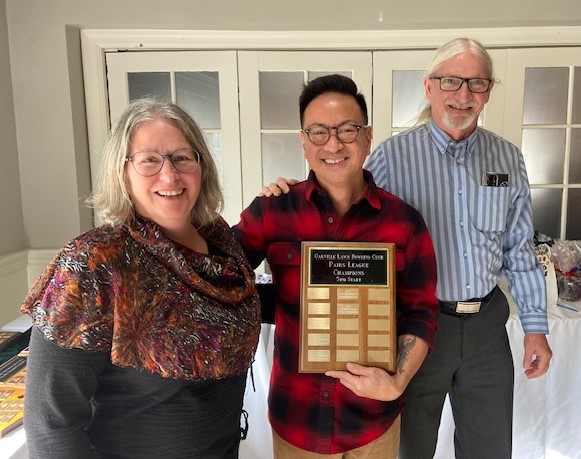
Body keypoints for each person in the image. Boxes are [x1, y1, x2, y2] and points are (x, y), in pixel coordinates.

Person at [20, 99, 261, 459]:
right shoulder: (94, 263)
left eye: (182, 157)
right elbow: (50, 424)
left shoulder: (221, 241)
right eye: (149, 160)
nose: (170, 175)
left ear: (201, 167)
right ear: (123, 172)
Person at [233, 74, 439, 458]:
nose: (334, 144)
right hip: (298, 419)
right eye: (319, 132)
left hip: (374, 422)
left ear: (367, 135)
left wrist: (398, 382)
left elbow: (421, 312)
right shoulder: (272, 211)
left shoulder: (405, 222)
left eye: (347, 129)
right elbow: (218, 277)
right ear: (303, 141)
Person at [366, 37, 553, 459]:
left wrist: (535, 329)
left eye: (477, 84)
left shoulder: (507, 159)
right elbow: (351, 226)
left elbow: (518, 250)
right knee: (408, 447)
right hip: (417, 326)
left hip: (487, 326)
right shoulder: (392, 158)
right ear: (429, 87)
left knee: (489, 449)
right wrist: (288, 193)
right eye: (451, 81)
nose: (463, 95)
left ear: (489, 91)